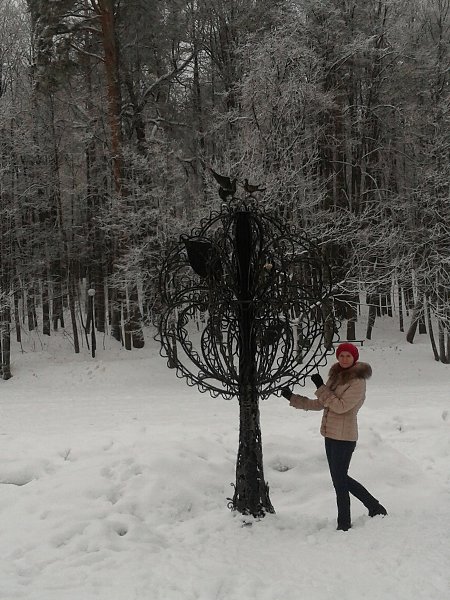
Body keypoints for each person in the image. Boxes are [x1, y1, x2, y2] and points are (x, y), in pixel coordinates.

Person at [281, 342, 387, 531]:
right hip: (330, 435)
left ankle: (346, 522)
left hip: (345, 438)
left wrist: (321, 387)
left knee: (340, 480)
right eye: (341, 355)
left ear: (354, 358)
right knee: (339, 478)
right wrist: (293, 398)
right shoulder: (336, 376)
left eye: (348, 356)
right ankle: (373, 508)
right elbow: (321, 403)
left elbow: (340, 406)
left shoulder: (357, 381)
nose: (344, 359)